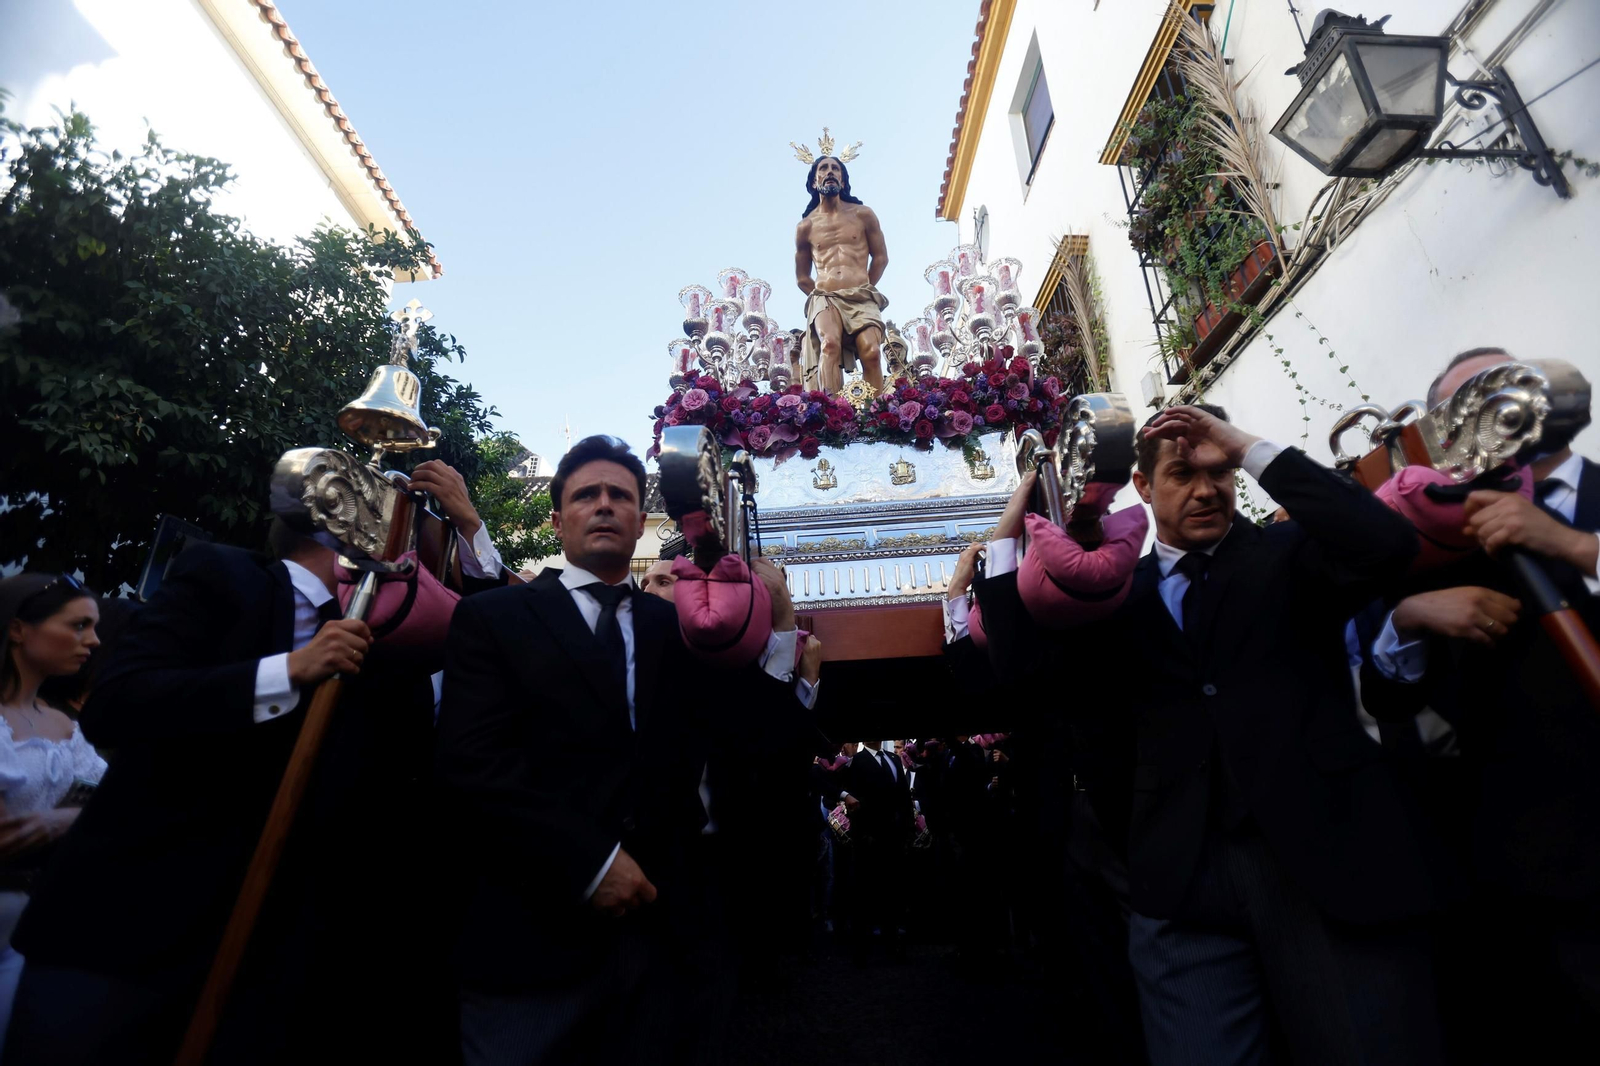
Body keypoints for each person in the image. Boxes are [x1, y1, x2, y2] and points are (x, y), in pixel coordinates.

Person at [977, 404, 1439, 1065]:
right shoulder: (1116, 597)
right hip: (1177, 886)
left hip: (1321, 862)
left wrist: (1247, 447)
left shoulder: (1291, 554)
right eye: (1181, 474)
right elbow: (1022, 670)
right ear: (1142, 486)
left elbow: (1387, 544)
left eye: (1218, 472)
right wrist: (1012, 525)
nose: (1204, 490)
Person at [437, 435, 813, 1065]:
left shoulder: (680, 628)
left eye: (621, 495)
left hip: (670, 946)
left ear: (642, 522)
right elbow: (473, 765)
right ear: (557, 521)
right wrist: (590, 863)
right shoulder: (495, 619)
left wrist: (770, 624)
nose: (605, 504)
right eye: (587, 495)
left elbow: (751, 741)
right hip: (535, 944)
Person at [1363, 348, 1600, 1058]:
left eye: (1508, 388)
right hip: (1545, 864)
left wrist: (1573, 546)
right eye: (1465, 406)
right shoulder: (1433, 546)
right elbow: (1389, 702)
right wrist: (1408, 621)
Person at [0, 574, 107, 1056]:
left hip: (24, 935)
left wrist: (59, 822)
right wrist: (75, 821)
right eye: (79, 625)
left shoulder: (63, 724)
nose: (94, 640)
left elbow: (106, 804)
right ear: (18, 629)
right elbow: (7, 838)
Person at [795, 155, 889, 394]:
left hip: (861, 295)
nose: (830, 172)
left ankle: (876, 409)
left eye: (835, 168)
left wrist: (864, 285)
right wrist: (821, 295)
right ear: (814, 181)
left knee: (872, 351)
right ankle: (831, 408)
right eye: (824, 168)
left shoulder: (863, 214)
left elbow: (880, 258)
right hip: (826, 298)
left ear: (843, 181)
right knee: (829, 345)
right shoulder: (805, 227)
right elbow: (802, 277)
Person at [837, 738, 914, 964]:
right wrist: (862, 834)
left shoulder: (893, 759)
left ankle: (891, 942)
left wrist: (907, 829)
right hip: (868, 838)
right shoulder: (857, 761)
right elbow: (853, 800)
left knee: (891, 891)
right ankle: (861, 948)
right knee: (865, 893)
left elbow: (903, 798)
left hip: (893, 837)